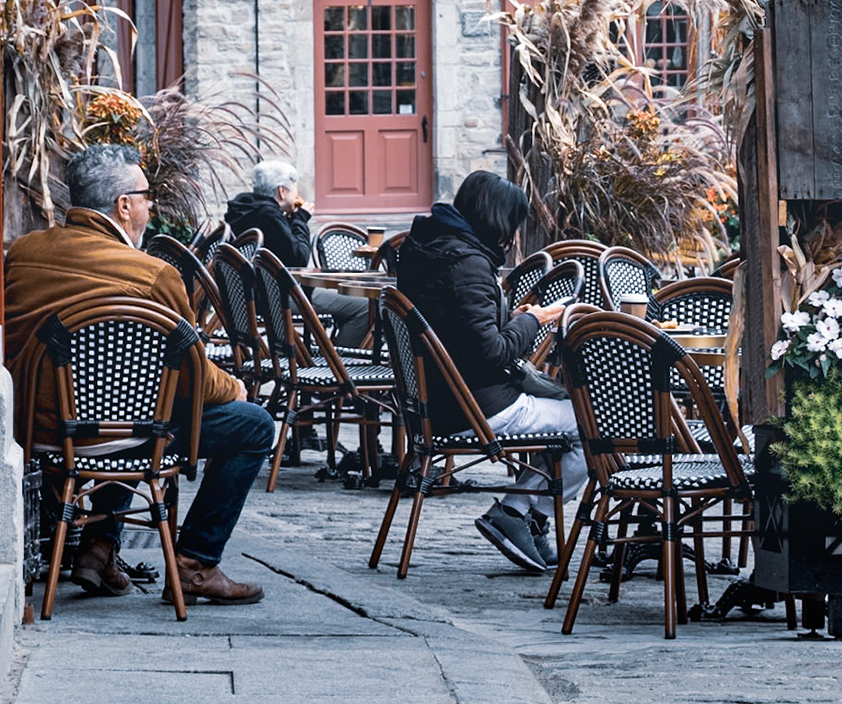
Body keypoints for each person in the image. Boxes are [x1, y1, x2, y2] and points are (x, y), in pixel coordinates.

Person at [5, 144, 272, 604]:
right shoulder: (153, 275)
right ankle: (194, 564)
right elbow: (193, 379)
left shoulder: (23, 252)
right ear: (123, 205)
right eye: (146, 195)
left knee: (130, 402)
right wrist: (236, 386)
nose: (151, 205)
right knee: (251, 425)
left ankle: (98, 549)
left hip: (34, 429)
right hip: (119, 435)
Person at [396, 170, 585, 571]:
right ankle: (520, 515)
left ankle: (524, 519)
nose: (513, 236)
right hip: (475, 406)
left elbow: (458, 327)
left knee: (569, 414)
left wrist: (511, 318)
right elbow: (491, 354)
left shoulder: (425, 248)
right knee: (595, 425)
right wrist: (535, 320)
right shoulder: (468, 263)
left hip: (435, 399)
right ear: (499, 219)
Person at [223, 158, 371, 347]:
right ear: (282, 191)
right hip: (280, 297)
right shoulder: (269, 216)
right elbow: (299, 258)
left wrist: (291, 220)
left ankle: (331, 356)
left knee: (345, 301)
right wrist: (301, 219)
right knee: (364, 307)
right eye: (295, 189)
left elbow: (285, 252)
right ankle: (338, 366)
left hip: (252, 296)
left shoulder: (243, 210)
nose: (297, 195)